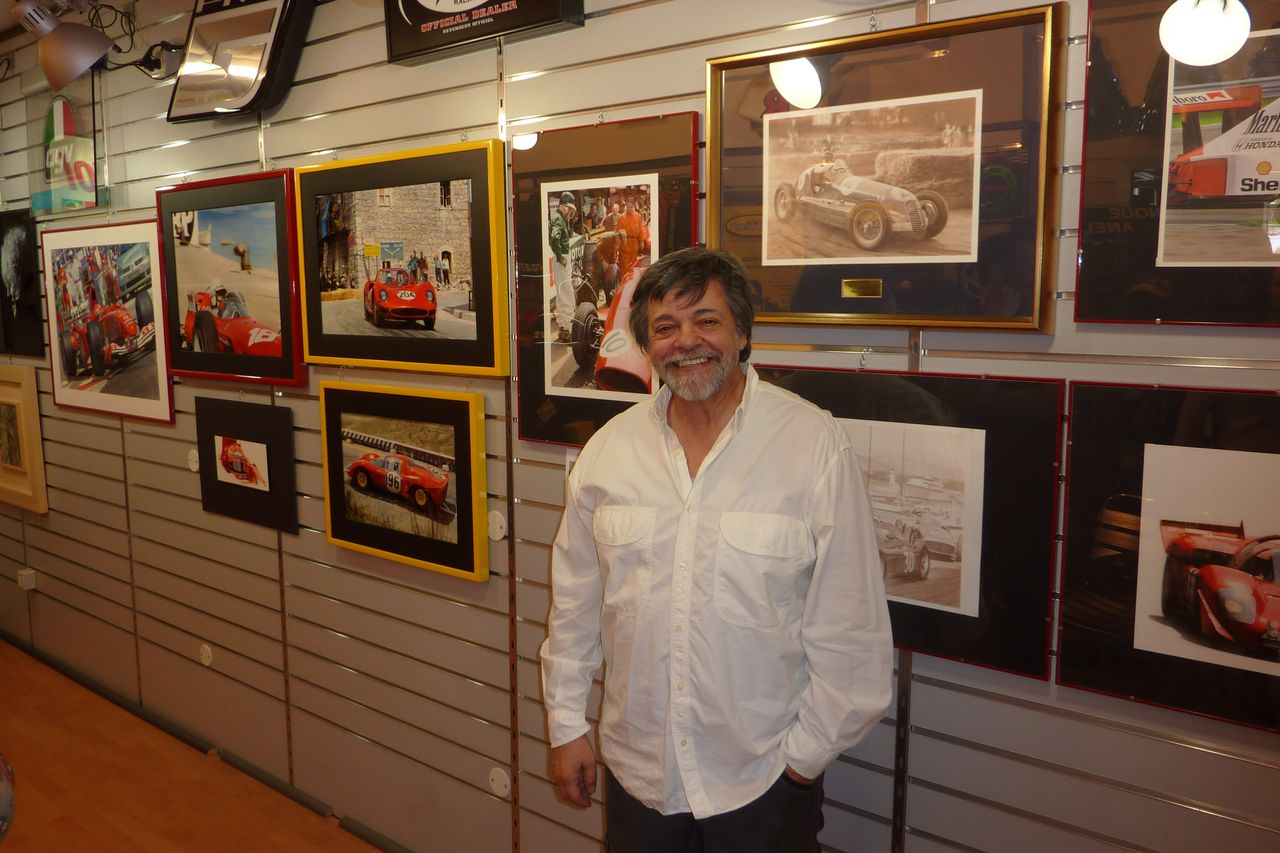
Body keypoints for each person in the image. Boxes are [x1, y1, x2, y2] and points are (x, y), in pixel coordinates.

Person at [540, 247, 893, 852]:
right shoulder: (608, 454)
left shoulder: (813, 447)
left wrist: (801, 764)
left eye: (706, 320)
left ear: (742, 333)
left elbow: (851, 633)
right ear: (647, 345)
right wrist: (567, 726)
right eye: (665, 327)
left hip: (763, 784)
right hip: (639, 778)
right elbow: (575, 610)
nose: (686, 341)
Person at [549, 190, 578, 342]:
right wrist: (561, 257)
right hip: (562, 260)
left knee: (562, 296)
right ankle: (568, 329)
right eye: (570, 209)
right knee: (568, 296)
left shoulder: (557, 217)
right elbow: (554, 238)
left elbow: (554, 239)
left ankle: (563, 328)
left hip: (559, 261)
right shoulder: (559, 219)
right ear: (566, 206)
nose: (570, 213)